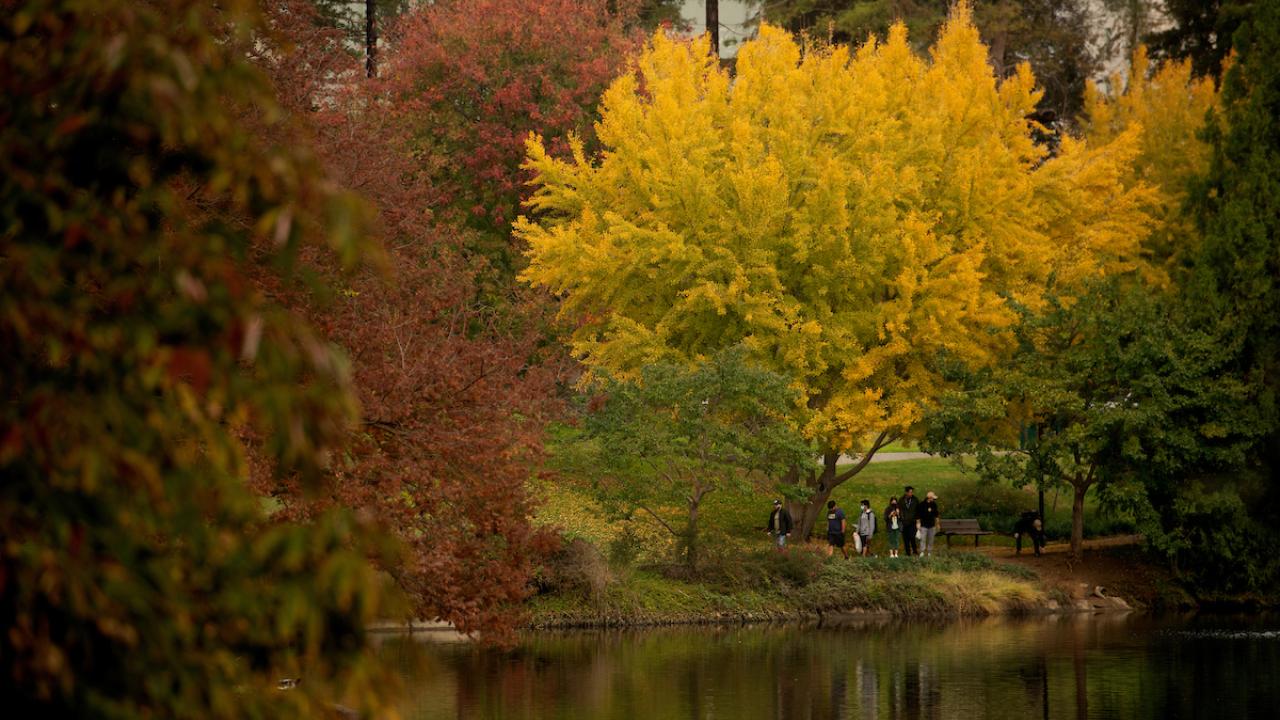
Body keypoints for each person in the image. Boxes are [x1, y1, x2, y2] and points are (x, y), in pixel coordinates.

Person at [918, 491, 940, 558]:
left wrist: (938, 524)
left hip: (932, 525)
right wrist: (918, 523)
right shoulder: (921, 504)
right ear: (929, 498)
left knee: (931, 539)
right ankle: (922, 552)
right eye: (933, 498)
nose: (934, 499)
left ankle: (929, 552)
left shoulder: (934, 504)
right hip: (924, 525)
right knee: (923, 539)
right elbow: (918, 515)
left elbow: (936, 515)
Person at [900, 486, 919, 556]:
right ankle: (908, 553)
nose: (911, 493)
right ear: (906, 492)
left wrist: (917, 520)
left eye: (912, 492)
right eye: (910, 492)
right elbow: (899, 510)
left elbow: (918, 510)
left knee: (912, 537)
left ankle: (915, 551)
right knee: (905, 539)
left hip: (912, 522)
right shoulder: (901, 500)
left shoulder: (915, 499)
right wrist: (902, 518)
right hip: (904, 522)